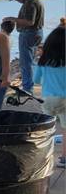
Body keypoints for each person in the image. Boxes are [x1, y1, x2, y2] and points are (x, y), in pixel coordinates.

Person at [34, 18, 66, 168]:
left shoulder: (43, 61)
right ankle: (64, 158)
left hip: (47, 99)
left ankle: (44, 157)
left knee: (46, 128)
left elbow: (36, 80)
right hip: (65, 99)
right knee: (65, 129)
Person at [4, 0, 45, 92]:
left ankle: (27, 89)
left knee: (26, 63)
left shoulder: (30, 3)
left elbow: (29, 22)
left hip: (29, 34)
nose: (16, 0)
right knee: (31, 61)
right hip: (37, 33)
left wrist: (12, 19)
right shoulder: (35, 0)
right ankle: (33, 83)